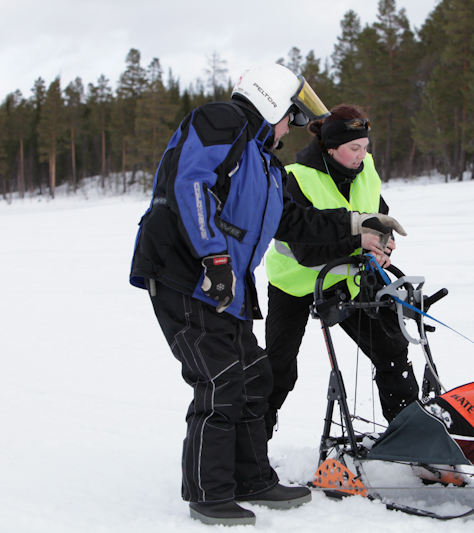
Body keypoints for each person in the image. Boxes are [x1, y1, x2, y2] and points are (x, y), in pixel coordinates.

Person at [129, 64, 406, 527]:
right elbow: (190, 185)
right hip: (184, 275)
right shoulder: (219, 121)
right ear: (270, 103)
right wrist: (214, 259)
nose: (289, 129)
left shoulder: (262, 163)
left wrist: (359, 227)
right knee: (219, 381)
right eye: (289, 118)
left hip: (225, 285)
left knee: (256, 375)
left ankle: (253, 479)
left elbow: (296, 222)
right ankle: (209, 494)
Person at [264, 104, 420, 440]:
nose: (361, 155)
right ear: (331, 148)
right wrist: (359, 242)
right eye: (353, 148)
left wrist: (383, 244)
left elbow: (380, 214)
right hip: (292, 284)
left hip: (347, 278)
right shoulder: (295, 178)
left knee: (392, 349)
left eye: (365, 147)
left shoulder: (366, 168)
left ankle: (410, 440)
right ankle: (249, 454)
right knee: (278, 371)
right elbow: (305, 251)